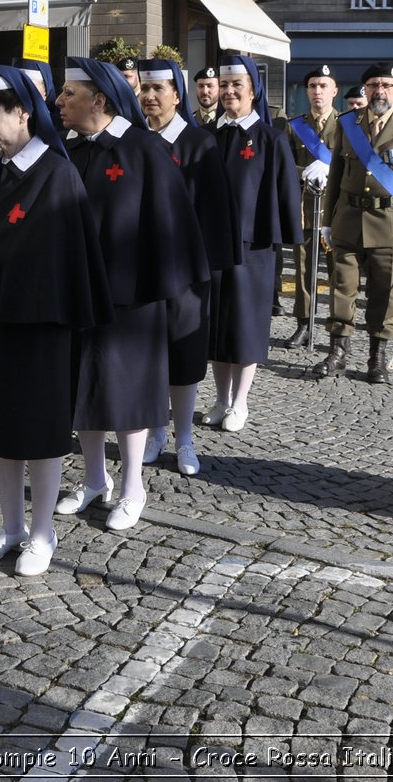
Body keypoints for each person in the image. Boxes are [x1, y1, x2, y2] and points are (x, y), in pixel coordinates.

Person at [0, 63, 112, 575]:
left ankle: (42, 533)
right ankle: (10, 526)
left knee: (34, 431)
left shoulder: (55, 175)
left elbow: (60, 262)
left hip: (37, 327)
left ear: (22, 112)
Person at [53, 57, 207, 529]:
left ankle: (133, 483)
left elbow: (173, 226)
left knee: (128, 392)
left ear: (97, 100)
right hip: (79, 293)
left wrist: (162, 293)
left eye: (68, 94)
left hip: (133, 296)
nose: (58, 102)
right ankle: (95, 477)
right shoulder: (71, 150)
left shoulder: (144, 149)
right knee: (84, 388)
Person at [137, 58, 238, 475]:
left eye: (158, 89)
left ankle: (183, 439)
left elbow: (216, 211)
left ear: (177, 95)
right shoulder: (132, 140)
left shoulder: (199, 143)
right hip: (141, 269)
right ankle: (153, 431)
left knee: (183, 356)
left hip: (185, 271)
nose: (149, 96)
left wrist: (207, 269)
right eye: (144, 89)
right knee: (146, 355)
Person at [315, 64, 393, 384]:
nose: (379, 90)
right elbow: (337, 174)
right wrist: (327, 220)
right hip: (349, 219)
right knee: (342, 289)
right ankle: (338, 352)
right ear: (365, 89)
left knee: (385, 294)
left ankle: (376, 358)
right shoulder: (348, 123)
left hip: (390, 222)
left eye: (386, 84)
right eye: (373, 85)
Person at [202, 53, 302, 430]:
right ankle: (220, 398)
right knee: (216, 328)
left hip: (253, 246)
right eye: (224, 85)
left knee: (244, 326)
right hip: (214, 245)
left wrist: (289, 236)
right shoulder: (210, 137)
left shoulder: (270, 138)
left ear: (252, 91)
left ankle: (240, 403)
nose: (228, 91)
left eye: (235, 85)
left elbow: (284, 190)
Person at [280, 65, 340, 347]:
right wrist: (304, 169)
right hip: (304, 207)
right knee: (304, 268)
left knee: (339, 272)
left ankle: (339, 329)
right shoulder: (294, 126)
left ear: (334, 91)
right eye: (313, 86)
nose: (318, 91)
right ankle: (304, 324)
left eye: (323, 86)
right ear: (306, 91)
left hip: (338, 211)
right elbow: (284, 165)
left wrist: (329, 167)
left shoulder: (348, 125)